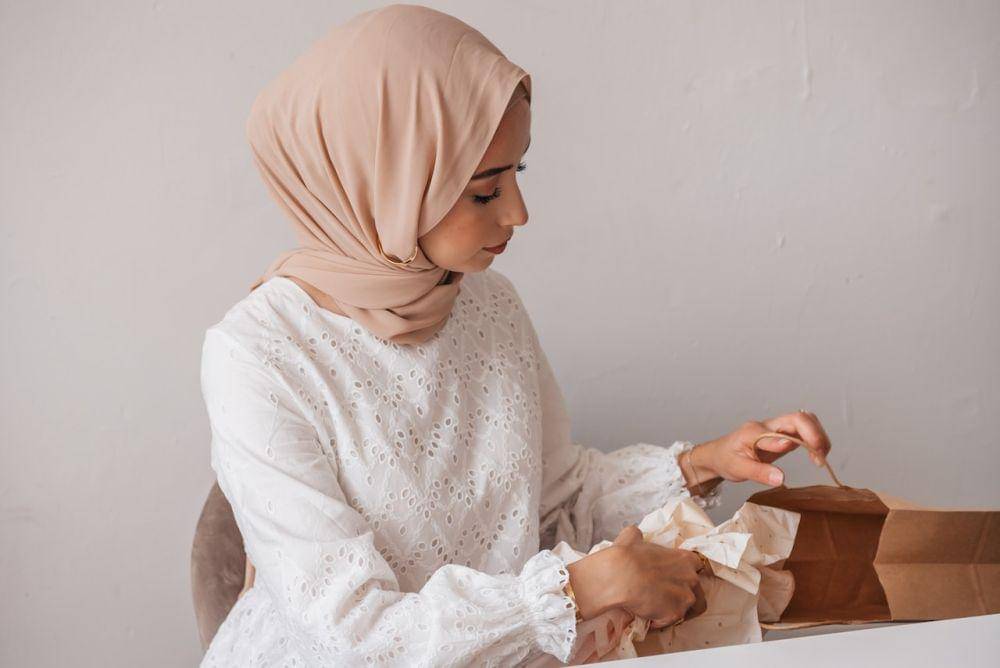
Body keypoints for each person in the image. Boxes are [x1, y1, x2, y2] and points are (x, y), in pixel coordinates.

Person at [198, 5, 833, 666]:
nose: (518, 213)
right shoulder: (257, 354)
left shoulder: (488, 304)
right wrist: (584, 587)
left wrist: (702, 463)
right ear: (383, 183)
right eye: (484, 191)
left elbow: (551, 501)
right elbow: (352, 634)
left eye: (517, 173)